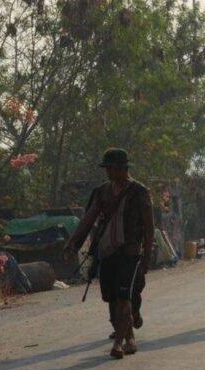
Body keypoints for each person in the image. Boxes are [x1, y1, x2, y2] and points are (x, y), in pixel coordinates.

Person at [64, 148, 154, 359]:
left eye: (110, 168)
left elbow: (149, 227)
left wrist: (147, 257)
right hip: (107, 251)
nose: (107, 172)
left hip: (131, 252)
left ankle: (118, 343)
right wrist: (73, 243)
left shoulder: (139, 191)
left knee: (124, 297)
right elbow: (89, 218)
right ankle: (129, 337)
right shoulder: (102, 192)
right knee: (112, 298)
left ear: (122, 168)